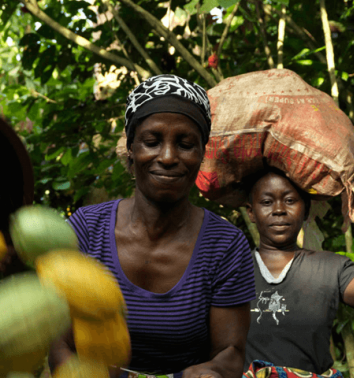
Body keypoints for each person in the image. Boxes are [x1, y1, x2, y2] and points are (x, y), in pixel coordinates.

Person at [57, 74, 255, 378]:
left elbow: (230, 352)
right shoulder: (86, 230)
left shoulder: (225, 245)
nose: (167, 157)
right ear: (131, 147)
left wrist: (211, 371)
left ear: (202, 154)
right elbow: (60, 341)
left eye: (186, 144)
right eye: (152, 142)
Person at [242, 160, 354, 377]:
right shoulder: (232, 270)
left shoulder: (330, 267)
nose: (279, 210)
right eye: (267, 202)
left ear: (306, 210)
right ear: (251, 212)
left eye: (290, 200)